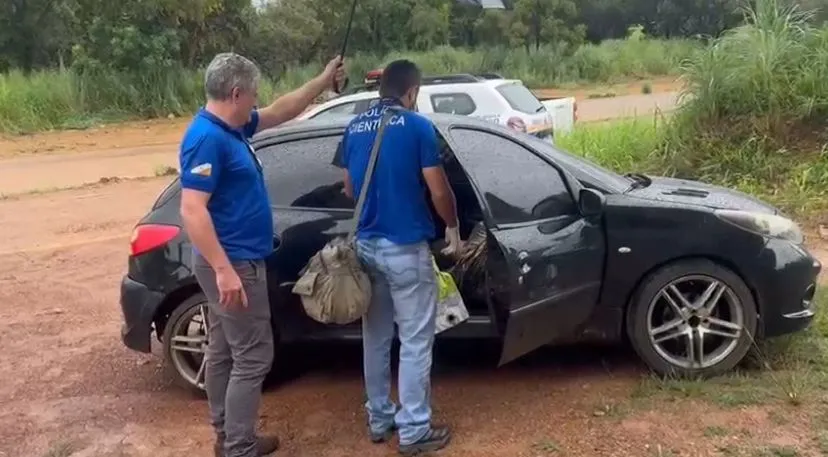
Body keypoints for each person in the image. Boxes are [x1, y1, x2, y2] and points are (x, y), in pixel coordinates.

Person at [178, 52, 345, 457]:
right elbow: (191, 209)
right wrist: (224, 269)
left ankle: (227, 435)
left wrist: (322, 81)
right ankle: (239, 445)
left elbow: (280, 111)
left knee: (222, 349)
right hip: (233, 264)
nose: (257, 102)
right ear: (235, 93)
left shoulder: (231, 128)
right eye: (252, 95)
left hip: (236, 261)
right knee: (253, 355)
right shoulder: (207, 139)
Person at [339, 59, 464, 456]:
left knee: (375, 338)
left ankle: (379, 419)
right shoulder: (417, 127)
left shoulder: (354, 126)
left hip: (366, 247)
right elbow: (440, 190)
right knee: (414, 342)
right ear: (411, 92)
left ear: (381, 90)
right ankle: (413, 431)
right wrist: (453, 227)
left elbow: (347, 188)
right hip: (406, 249)